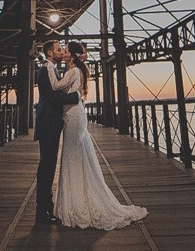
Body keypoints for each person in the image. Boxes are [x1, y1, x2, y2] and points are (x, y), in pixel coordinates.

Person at [50, 40, 148, 229]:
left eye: (66, 50)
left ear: (73, 55)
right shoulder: (78, 71)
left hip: (73, 116)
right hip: (75, 114)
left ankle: (76, 203)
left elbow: (55, 87)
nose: (64, 52)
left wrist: (48, 68)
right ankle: (77, 199)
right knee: (75, 155)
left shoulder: (73, 71)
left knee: (72, 156)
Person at [34, 40, 80, 225]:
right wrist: (74, 97)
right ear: (50, 53)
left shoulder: (51, 69)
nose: (62, 51)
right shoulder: (47, 69)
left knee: (48, 165)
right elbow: (52, 96)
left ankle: (45, 209)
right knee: (47, 166)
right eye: (59, 49)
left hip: (50, 122)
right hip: (48, 123)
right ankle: (42, 212)